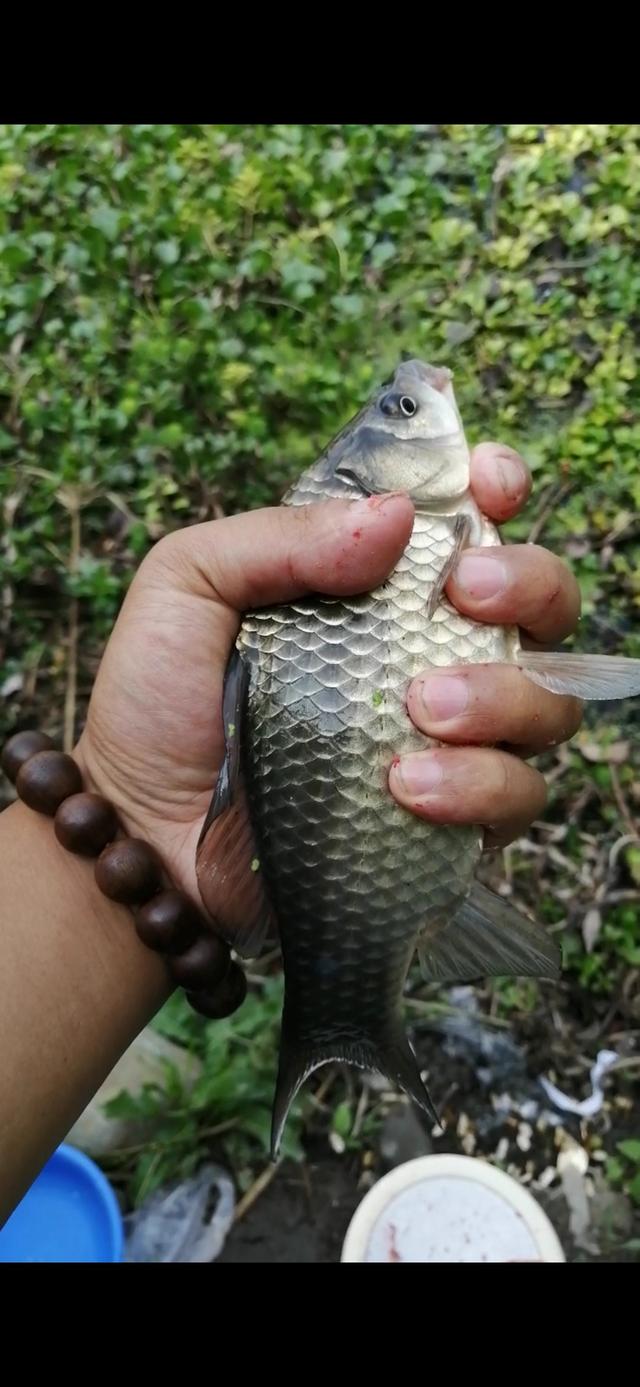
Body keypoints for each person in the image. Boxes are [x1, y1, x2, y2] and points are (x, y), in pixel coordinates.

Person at [0, 442, 582, 1223]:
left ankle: (350, 1008)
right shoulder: (365, 527)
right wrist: (126, 800)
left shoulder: (416, 526)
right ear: (364, 479)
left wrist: (124, 805)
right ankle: (345, 1015)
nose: (421, 397)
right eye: (402, 412)